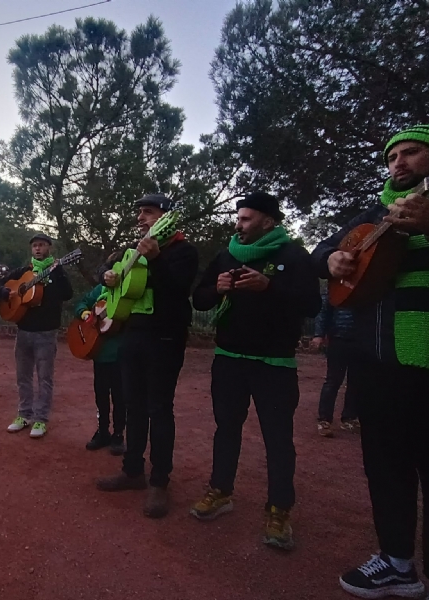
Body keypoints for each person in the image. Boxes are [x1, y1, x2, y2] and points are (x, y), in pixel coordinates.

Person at [313, 125, 429, 600]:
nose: (398, 162)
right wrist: (332, 259)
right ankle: (396, 562)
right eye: (391, 156)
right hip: (378, 364)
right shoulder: (372, 214)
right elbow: (320, 252)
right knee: (385, 468)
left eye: (412, 152)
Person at [190, 192, 320, 549]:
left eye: (246, 219)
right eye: (238, 218)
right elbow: (199, 298)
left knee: (278, 439)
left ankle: (279, 510)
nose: (239, 225)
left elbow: (312, 305)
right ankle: (220, 491)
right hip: (228, 358)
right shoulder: (227, 255)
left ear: (268, 221)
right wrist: (215, 289)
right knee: (226, 429)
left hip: (274, 365)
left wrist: (270, 287)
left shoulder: (294, 256)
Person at [95, 194, 199, 519]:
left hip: (165, 338)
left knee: (159, 408)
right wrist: (106, 276)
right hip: (133, 336)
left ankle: (159, 481)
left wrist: (155, 259)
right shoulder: (132, 251)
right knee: (133, 406)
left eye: (148, 212)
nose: (140, 217)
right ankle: (132, 471)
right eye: (139, 212)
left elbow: (179, 290)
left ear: (165, 217)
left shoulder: (184, 251)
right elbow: (106, 268)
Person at [0, 233, 73, 439]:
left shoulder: (56, 271)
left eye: (42, 245)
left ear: (49, 248)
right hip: (23, 331)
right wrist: (5, 293)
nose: (38, 248)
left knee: (44, 378)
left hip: (46, 332)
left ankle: (41, 419)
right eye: (35, 246)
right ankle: (24, 415)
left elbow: (68, 294)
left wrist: (59, 271)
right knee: (23, 377)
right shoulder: (23, 272)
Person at [73, 279, 126, 455]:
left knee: (120, 397)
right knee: (101, 396)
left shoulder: (125, 293)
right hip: (100, 353)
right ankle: (102, 431)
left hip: (120, 354)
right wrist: (85, 314)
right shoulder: (100, 289)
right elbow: (81, 304)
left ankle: (118, 434)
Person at [310, 290, 359, 437]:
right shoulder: (336, 287)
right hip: (338, 338)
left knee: (356, 381)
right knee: (333, 380)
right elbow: (324, 311)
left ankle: (349, 418)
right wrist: (318, 335)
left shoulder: (365, 288)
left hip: (360, 340)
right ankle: (324, 420)